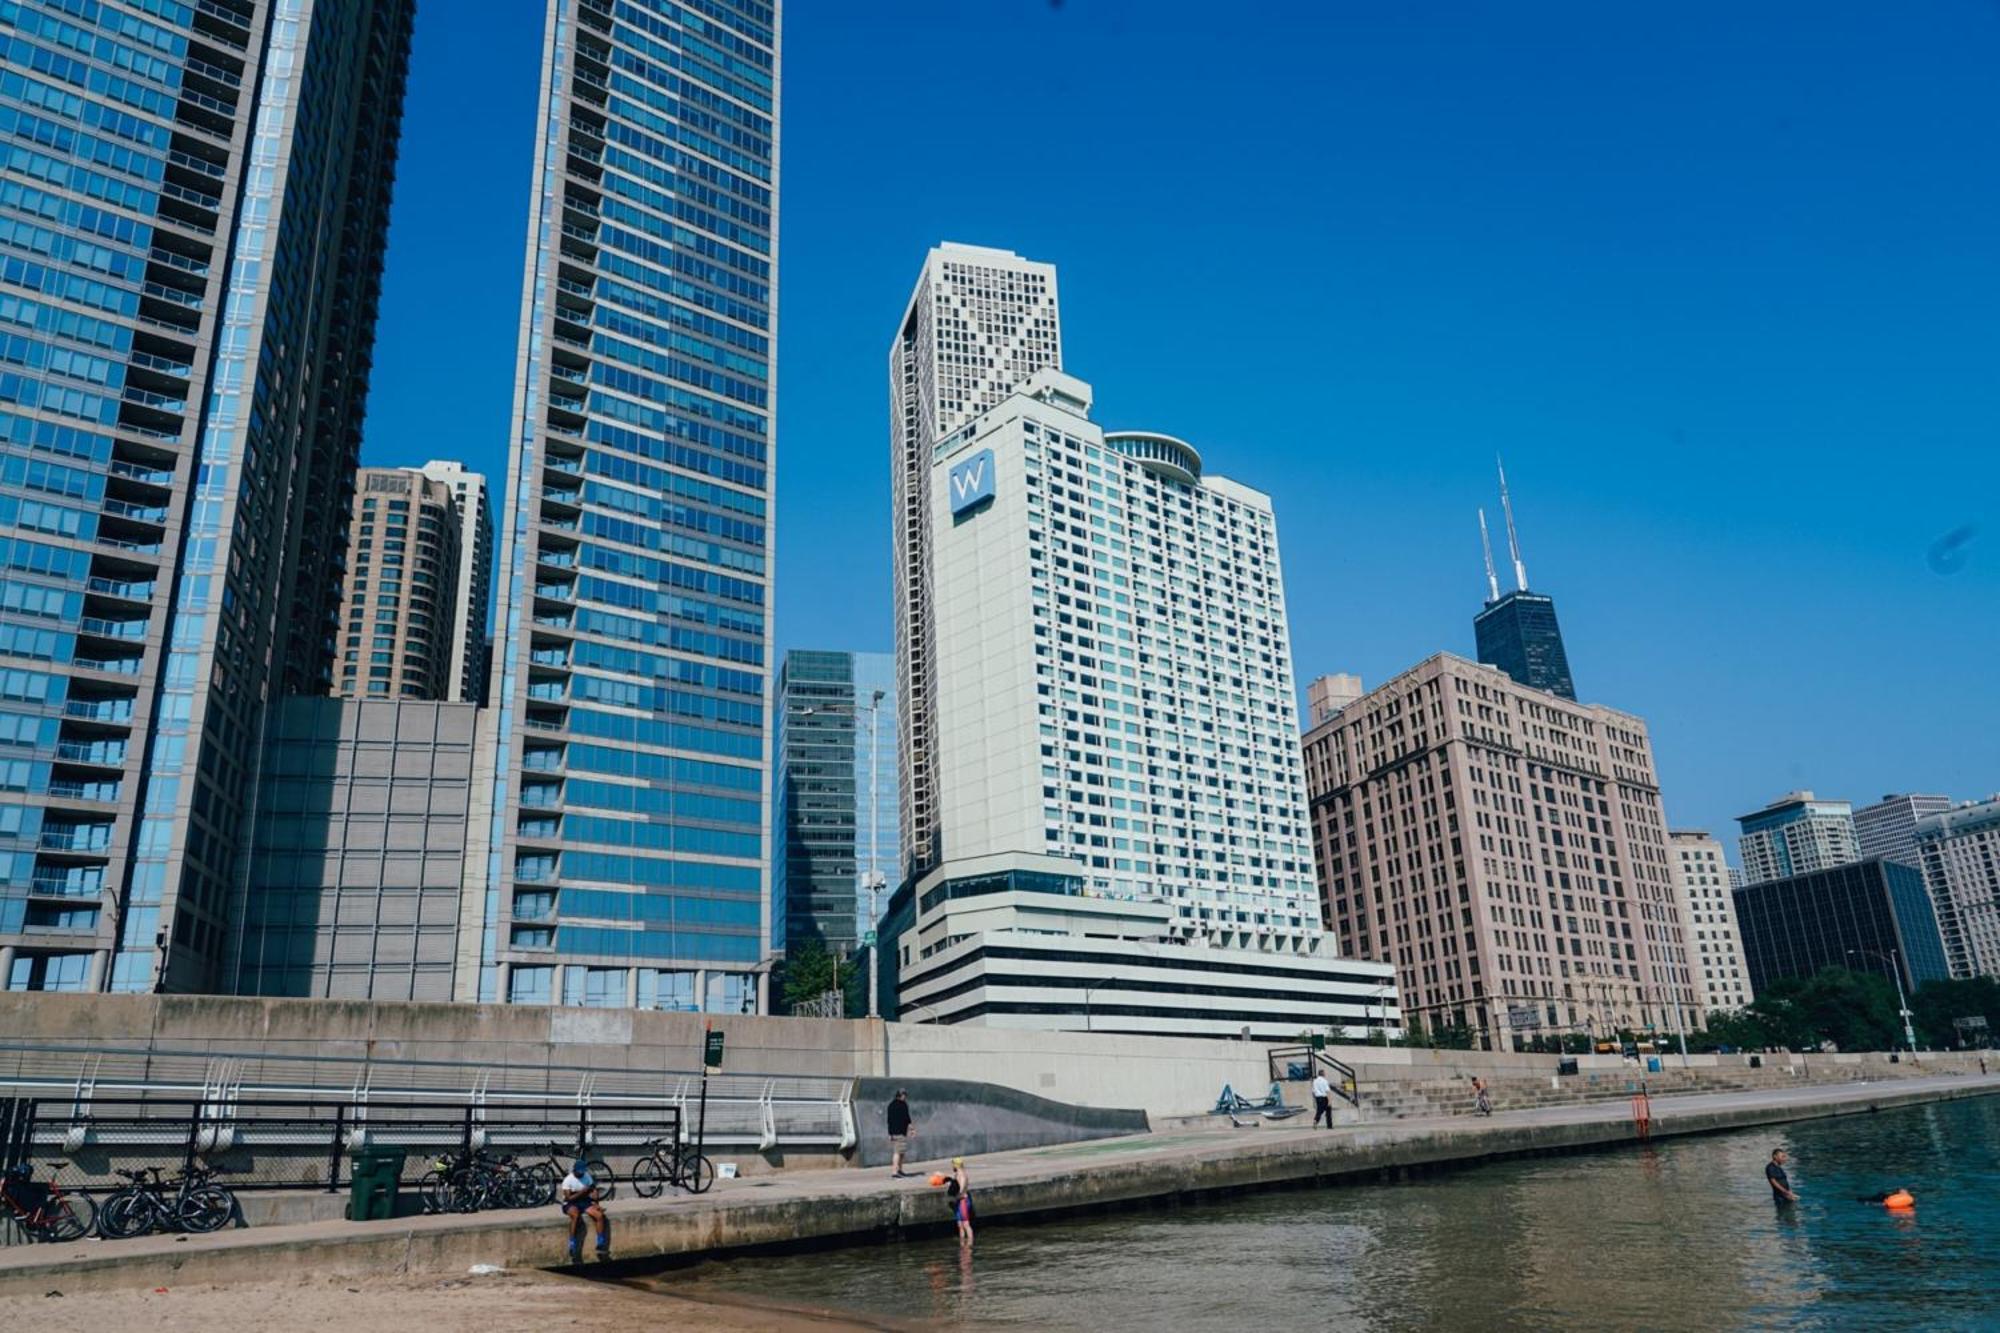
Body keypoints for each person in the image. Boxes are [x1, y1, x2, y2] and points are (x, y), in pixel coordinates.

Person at [559, 1158, 611, 1262]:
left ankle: (600, 1243)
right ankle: (572, 1243)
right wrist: (582, 1192)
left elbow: (593, 1190)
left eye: (583, 1171)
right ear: (575, 1170)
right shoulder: (568, 1180)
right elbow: (568, 1198)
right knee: (575, 1215)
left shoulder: (587, 1176)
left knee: (599, 1216)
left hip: (584, 1201)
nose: (581, 1174)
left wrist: (596, 1204)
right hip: (571, 1203)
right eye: (579, 1172)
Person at [888, 1088, 915, 1178]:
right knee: (898, 1152)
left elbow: (889, 1120)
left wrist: (890, 1133)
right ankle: (895, 1172)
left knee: (901, 1152)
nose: (905, 1097)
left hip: (894, 1132)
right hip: (900, 1132)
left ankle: (899, 1170)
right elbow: (907, 1118)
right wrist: (912, 1129)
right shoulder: (903, 1105)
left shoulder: (891, 1105)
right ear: (901, 1095)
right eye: (904, 1095)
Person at [948, 1155, 974, 1247]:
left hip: (963, 1201)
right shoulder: (957, 1174)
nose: (952, 1167)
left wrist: (955, 1198)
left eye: (953, 1165)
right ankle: (962, 1244)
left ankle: (970, 1244)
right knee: (960, 1224)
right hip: (958, 1201)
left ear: (956, 1165)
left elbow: (962, 1191)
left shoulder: (962, 1176)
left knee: (966, 1224)